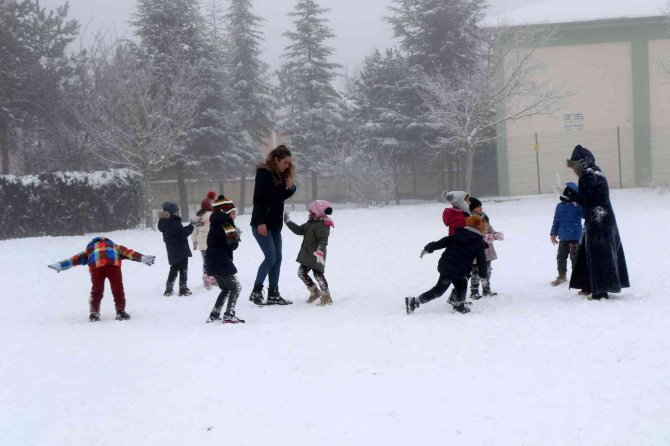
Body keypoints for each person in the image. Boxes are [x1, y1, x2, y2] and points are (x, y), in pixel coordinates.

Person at [562, 144, 630, 299]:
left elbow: (586, 199)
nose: (574, 170)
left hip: (597, 220)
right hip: (604, 218)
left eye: (574, 166)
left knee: (598, 254)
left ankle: (600, 291)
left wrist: (572, 196)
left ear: (581, 163)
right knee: (589, 252)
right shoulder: (598, 172)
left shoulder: (587, 174)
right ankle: (587, 285)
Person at [47, 236, 155, 321]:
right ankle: (120, 312)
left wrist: (60, 265)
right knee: (117, 289)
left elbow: (74, 260)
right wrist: (142, 258)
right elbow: (128, 253)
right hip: (113, 266)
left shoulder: (89, 249)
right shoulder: (113, 246)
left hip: (96, 267)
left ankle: (94, 313)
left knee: (96, 290)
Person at [405, 215, 489, 315]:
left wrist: (429, 248)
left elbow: (442, 242)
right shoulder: (478, 242)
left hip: (450, 266)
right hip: (451, 269)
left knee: (462, 283)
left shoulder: (458, 234)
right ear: (481, 227)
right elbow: (481, 261)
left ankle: (458, 304)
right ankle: (413, 302)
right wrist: (483, 274)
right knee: (438, 290)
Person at [248, 145, 297, 306]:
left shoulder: (280, 176)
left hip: (275, 224)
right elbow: (259, 199)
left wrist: (291, 187)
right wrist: (260, 222)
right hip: (261, 224)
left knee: (278, 259)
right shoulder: (264, 174)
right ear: (276, 160)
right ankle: (256, 291)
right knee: (271, 257)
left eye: (289, 163)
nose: (287, 166)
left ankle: (273, 294)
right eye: (284, 162)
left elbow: (279, 197)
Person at [284, 200, 334, 306]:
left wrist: (320, 251)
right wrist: (288, 222)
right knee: (301, 273)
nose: (309, 213)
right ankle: (315, 292)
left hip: (317, 256)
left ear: (317, 212)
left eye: (311, 211)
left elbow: (323, 240)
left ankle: (327, 297)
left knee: (318, 275)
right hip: (308, 255)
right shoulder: (310, 223)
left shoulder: (323, 225)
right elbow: (299, 230)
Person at [205, 195, 245, 324]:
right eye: (234, 213)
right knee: (236, 287)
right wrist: (235, 235)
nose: (235, 216)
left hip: (211, 260)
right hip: (222, 260)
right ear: (226, 212)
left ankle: (215, 314)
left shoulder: (215, 223)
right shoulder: (227, 224)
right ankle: (229, 315)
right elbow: (233, 245)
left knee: (226, 288)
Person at [158, 201, 199, 297]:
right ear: (172, 212)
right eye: (177, 211)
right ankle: (183, 288)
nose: (178, 213)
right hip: (180, 250)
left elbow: (177, 232)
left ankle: (169, 288)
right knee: (183, 269)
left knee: (174, 268)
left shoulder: (165, 222)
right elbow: (183, 233)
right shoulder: (173, 222)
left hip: (172, 250)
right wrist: (191, 226)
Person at [468, 197, 504, 299]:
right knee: (475, 270)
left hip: (487, 248)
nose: (480, 208)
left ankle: (486, 289)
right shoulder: (469, 219)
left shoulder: (484, 217)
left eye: (481, 206)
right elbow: (472, 234)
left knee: (487, 269)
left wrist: (495, 234)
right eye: (478, 207)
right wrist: (484, 237)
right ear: (472, 208)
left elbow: (489, 229)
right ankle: (474, 291)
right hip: (475, 250)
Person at [549, 182, 583, 286]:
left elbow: (585, 215)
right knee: (561, 257)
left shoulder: (577, 206)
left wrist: (578, 205)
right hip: (563, 237)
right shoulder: (559, 206)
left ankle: (577, 277)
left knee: (575, 258)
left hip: (575, 237)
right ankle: (562, 275)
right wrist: (553, 234)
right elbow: (556, 221)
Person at [192, 191, 217, 290]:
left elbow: (194, 229)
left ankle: (208, 280)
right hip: (213, 242)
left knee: (206, 262)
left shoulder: (200, 214)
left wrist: (194, 242)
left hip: (203, 243)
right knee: (213, 261)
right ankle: (213, 279)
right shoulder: (215, 213)